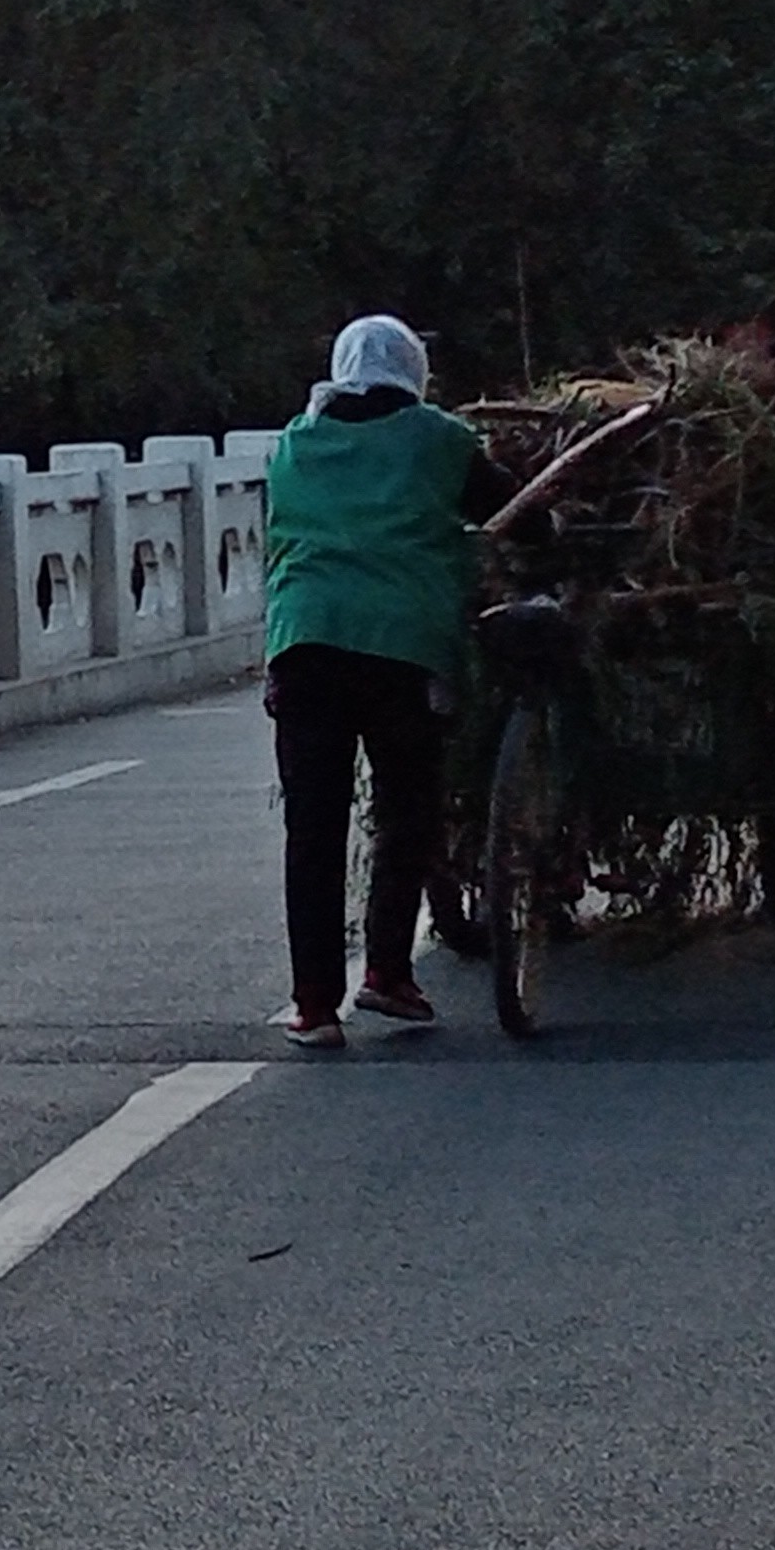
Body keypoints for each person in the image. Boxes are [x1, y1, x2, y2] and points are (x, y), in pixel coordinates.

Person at [262, 313, 509, 1046]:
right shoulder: (441, 440)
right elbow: (507, 512)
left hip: (304, 642)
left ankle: (312, 1005)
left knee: (312, 828)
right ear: (414, 371)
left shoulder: (294, 445)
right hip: (403, 646)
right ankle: (388, 975)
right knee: (406, 812)